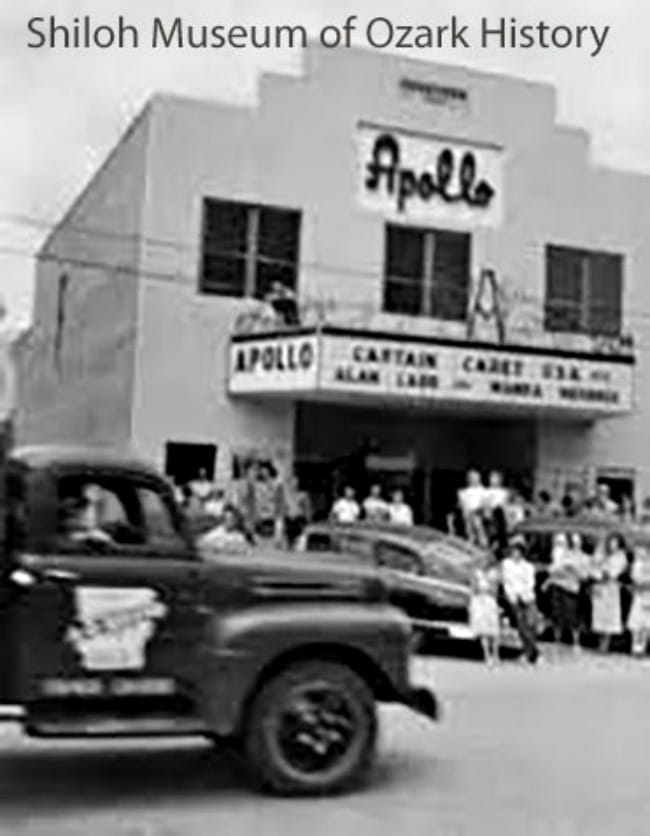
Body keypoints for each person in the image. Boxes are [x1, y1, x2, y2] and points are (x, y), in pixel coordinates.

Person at [546, 532, 588, 653]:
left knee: (573, 617)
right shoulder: (562, 555)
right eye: (573, 543)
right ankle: (557, 640)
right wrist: (561, 567)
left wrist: (574, 570)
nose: (575, 545)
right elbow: (551, 570)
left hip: (572, 589)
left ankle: (576, 642)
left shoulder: (583, 557)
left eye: (577, 542)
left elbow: (584, 575)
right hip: (558, 586)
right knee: (556, 615)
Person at [501, 536, 540, 664]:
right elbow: (507, 581)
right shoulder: (506, 564)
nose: (515, 554)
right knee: (521, 625)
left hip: (527, 596)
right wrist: (512, 595)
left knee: (531, 624)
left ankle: (532, 650)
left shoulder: (528, 567)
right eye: (513, 552)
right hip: (514, 597)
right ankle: (529, 651)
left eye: (518, 552)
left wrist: (524, 593)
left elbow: (530, 582)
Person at [590, 533, 628, 653]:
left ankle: (605, 645)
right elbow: (593, 567)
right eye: (611, 542)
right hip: (599, 587)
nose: (613, 545)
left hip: (611, 588)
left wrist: (603, 571)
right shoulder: (601, 553)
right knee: (598, 616)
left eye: (615, 542)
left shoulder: (621, 557)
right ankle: (599, 643)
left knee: (610, 617)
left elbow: (612, 573)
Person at [469, 563, 501, 666]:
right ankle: (487, 656)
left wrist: (488, 584)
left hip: (490, 602)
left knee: (494, 632)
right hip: (479, 603)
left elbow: (495, 591)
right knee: (483, 632)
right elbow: (473, 589)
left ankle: (496, 655)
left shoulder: (493, 574)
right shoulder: (476, 573)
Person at [627, 544, 650, 656]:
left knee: (647, 624)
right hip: (639, 595)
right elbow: (635, 579)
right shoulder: (637, 565)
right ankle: (635, 647)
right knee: (636, 622)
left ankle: (643, 647)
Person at [458, 470, 487, 547]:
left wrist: (477, 511)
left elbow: (485, 506)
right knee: (469, 529)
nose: (475, 480)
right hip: (467, 518)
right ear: (468, 479)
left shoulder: (483, 491)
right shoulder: (463, 492)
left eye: (476, 478)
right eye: (472, 478)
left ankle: (482, 543)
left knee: (478, 526)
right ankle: (471, 540)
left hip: (479, 517)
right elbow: (461, 506)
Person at [282, 474, 312, 549]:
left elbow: (307, 509)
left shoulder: (303, 495)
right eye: (292, 482)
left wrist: (308, 521)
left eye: (295, 482)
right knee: (288, 546)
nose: (293, 484)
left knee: (299, 544)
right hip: (289, 522)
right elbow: (284, 509)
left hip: (299, 521)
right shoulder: (286, 496)